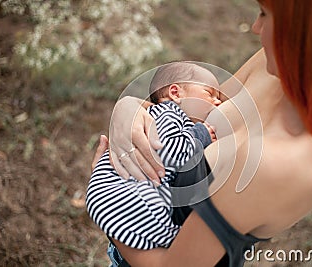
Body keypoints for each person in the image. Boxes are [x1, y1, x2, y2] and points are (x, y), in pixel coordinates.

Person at [90, 0, 312, 266]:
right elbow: (188, 110)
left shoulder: (283, 162)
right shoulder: (270, 66)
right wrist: (130, 107)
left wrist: (107, 207)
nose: (256, 27)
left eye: (264, 14)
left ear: (308, 30)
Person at [86, 62, 222, 265]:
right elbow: (170, 153)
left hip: (116, 200)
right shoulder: (168, 115)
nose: (217, 101)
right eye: (209, 93)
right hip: (126, 197)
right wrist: (200, 135)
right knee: (175, 233)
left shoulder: (170, 119)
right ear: (175, 93)